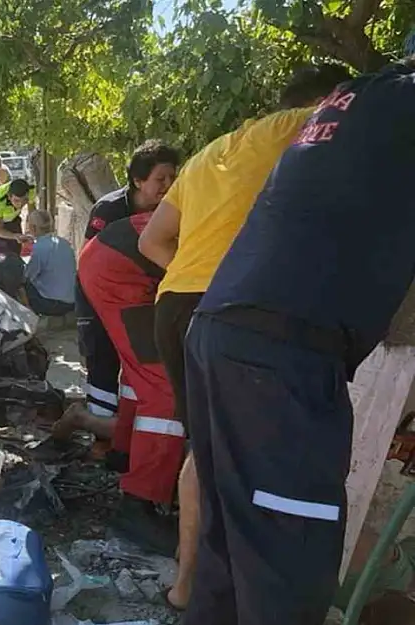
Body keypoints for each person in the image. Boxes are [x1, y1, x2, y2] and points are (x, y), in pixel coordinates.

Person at [180, 54, 415, 625]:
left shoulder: (364, 94)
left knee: (232, 554)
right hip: (280, 356)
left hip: (226, 330)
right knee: (289, 558)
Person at [136, 63, 353, 611]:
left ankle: (188, 586)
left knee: (204, 453)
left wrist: (196, 286)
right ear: (325, 101)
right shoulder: (305, 126)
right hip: (234, 311)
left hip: (180, 305)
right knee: (245, 460)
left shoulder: (214, 151)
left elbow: (154, 243)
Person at [75, 211, 182, 556]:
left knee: (141, 373)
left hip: (109, 260)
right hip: (122, 269)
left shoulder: (220, 178)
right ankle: (140, 503)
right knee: (166, 389)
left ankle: (124, 453)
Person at [75, 140, 180, 426]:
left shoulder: (168, 212)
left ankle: (122, 434)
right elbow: (87, 261)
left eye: (173, 178)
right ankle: (96, 434)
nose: (168, 185)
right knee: (103, 364)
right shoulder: (108, 210)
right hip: (96, 298)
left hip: (139, 299)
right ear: (137, 180)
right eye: (160, 179)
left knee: (140, 367)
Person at [23, 210, 75, 317]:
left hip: (52, 304)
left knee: (20, 283)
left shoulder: (40, 248)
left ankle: (29, 320)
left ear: (33, 227)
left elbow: (28, 275)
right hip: (72, 301)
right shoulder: (64, 243)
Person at [0, 178, 34, 255]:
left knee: (15, 251)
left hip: (12, 219)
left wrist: (31, 232)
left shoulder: (31, 191)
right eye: (16, 201)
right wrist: (15, 236)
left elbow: (32, 214)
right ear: (9, 197)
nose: (20, 204)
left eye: (24, 200)